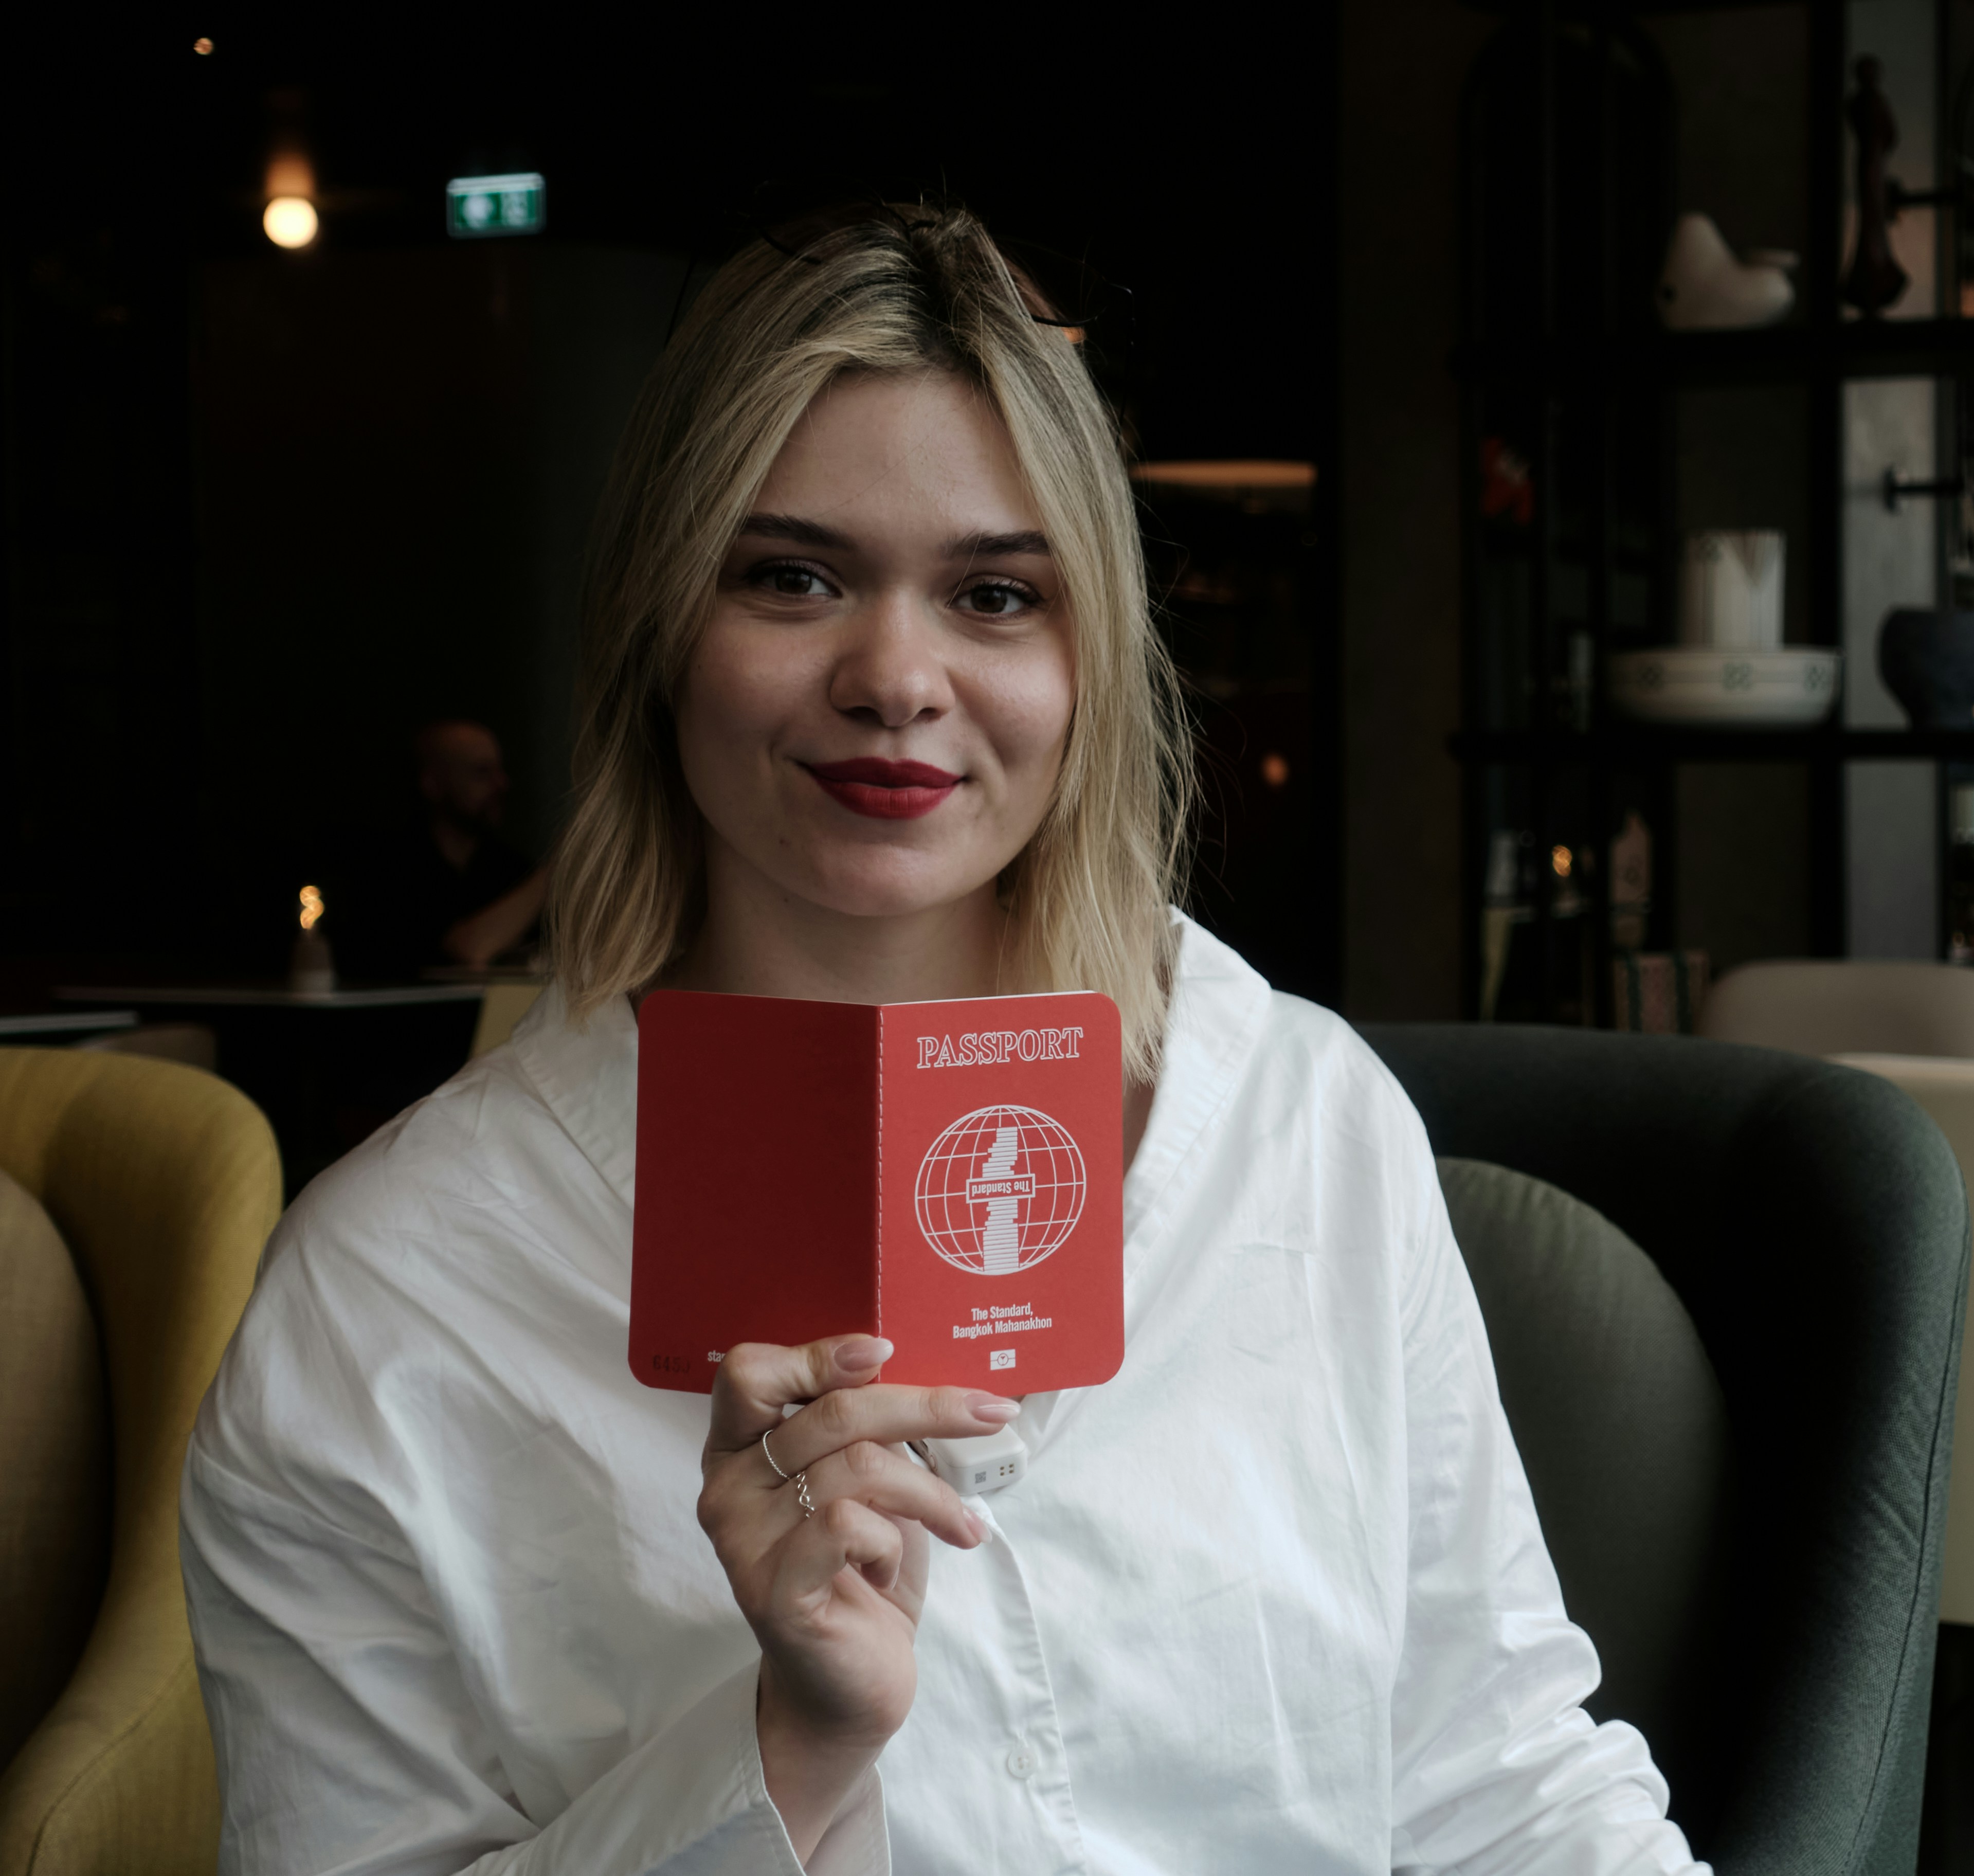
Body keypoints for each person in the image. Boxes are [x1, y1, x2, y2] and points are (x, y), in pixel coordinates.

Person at [181, 204, 1705, 1875]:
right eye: (792, 575)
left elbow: (1498, 1770)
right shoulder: (380, 1305)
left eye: (992, 592)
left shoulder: (1303, 1117)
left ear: (1092, 657)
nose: (895, 673)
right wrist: (787, 1743)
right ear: (656, 622)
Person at [341, 721, 548, 972]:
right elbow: (465, 951)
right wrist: (558, 866)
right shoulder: (388, 869)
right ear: (433, 784)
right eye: (482, 773)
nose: (501, 784)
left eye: (500, 771)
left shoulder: (510, 868)